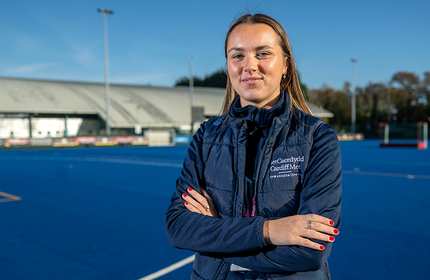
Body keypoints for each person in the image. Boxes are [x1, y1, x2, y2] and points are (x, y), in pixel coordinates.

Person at [166, 13, 342, 279]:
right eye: (237, 56)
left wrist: (214, 238)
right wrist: (269, 230)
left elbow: (310, 251)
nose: (249, 65)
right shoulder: (206, 137)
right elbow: (179, 227)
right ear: (228, 65)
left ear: (286, 64)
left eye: (263, 54)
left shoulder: (317, 137)